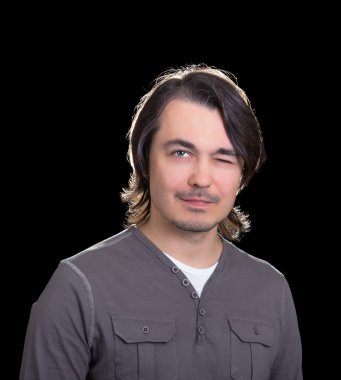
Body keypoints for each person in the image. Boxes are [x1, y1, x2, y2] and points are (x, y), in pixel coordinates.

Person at [20, 64, 303, 379]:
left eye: (223, 159)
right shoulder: (78, 286)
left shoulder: (271, 289)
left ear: (242, 173)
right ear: (144, 160)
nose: (201, 179)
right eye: (181, 153)